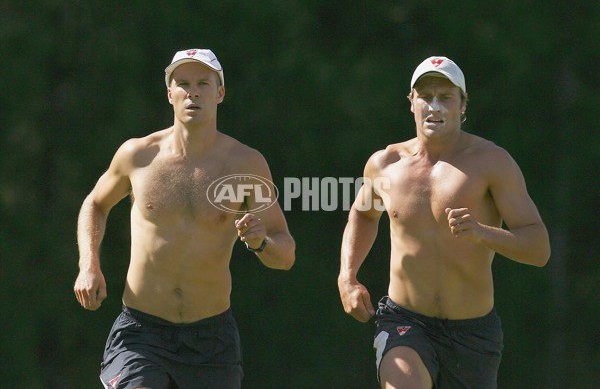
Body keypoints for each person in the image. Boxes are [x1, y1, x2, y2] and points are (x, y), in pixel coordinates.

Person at [74, 48, 295, 389]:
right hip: (141, 334)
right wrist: (89, 264)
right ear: (169, 93)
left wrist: (261, 242)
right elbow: (95, 204)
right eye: (183, 83)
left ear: (219, 93)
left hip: (211, 340)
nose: (193, 92)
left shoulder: (246, 165)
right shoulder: (139, 154)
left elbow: (286, 254)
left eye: (203, 83)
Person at [338, 56, 550, 388]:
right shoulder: (385, 163)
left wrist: (482, 233)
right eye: (425, 96)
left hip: (473, 332)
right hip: (403, 321)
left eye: (446, 97)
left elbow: (539, 248)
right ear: (412, 103)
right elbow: (363, 215)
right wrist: (348, 276)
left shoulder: (493, 162)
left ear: (463, 105)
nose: (434, 105)